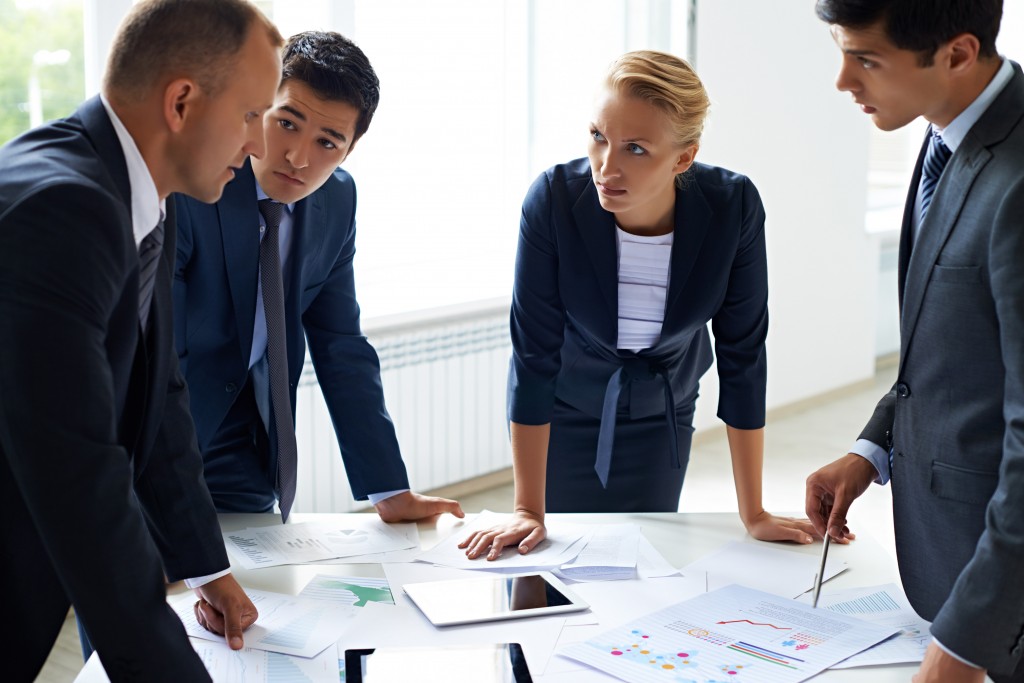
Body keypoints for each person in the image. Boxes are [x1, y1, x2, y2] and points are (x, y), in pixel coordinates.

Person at [0, 1, 283, 679]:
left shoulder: (142, 194)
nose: (259, 147)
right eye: (252, 115)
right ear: (182, 101)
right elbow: (83, 482)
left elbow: (158, 395)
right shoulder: (63, 210)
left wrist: (205, 565)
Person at [460, 50, 816, 561]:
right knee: (543, 574)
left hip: (662, 417)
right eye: (598, 137)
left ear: (683, 158)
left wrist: (754, 512)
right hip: (560, 413)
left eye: (636, 149)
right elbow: (533, 356)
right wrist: (526, 510)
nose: (607, 166)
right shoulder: (553, 200)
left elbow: (743, 355)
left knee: (644, 570)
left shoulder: (732, 207)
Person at [805, 2, 1024, 681]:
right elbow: (948, 343)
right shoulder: (944, 132)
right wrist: (874, 448)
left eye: (866, 59)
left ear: (957, 54)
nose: (844, 81)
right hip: (944, 560)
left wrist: (965, 639)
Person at [172, 31, 464, 524]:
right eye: (287, 123)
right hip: (157, 430)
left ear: (349, 150)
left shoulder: (336, 201)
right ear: (258, 108)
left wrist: (387, 488)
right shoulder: (190, 185)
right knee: (157, 586)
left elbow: (340, 343)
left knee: (261, 583)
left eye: (328, 142)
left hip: (246, 435)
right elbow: (151, 356)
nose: (299, 158)